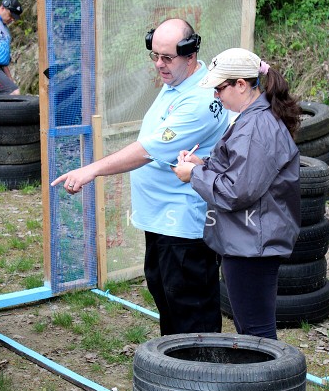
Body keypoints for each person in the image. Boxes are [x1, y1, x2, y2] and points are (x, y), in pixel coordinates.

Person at [51, 18, 229, 336]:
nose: (159, 64)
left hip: (183, 225)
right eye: (155, 55)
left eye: (167, 58)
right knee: (168, 300)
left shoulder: (199, 101)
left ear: (190, 55)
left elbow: (147, 151)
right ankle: (172, 364)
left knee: (192, 313)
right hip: (163, 220)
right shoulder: (179, 82)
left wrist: (91, 170)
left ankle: (199, 367)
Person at [173, 47, 301, 340]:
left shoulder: (256, 126)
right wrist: (203, 165)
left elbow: (236, 191)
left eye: (219, 88)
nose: (216, 95)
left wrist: (194, 175)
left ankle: (269, 372)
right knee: (252, 330)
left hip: (252, 246)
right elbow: (243, 173)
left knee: (256, 334)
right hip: (249, 241)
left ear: (241, 85)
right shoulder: (254, 118)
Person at [0, 0, 23, 95]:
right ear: (3, 7)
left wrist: (9, 78)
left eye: (14, 17)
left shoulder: (5, 29)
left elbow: (3, 58)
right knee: (14, 93)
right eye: (11, 15)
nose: (12, 19)